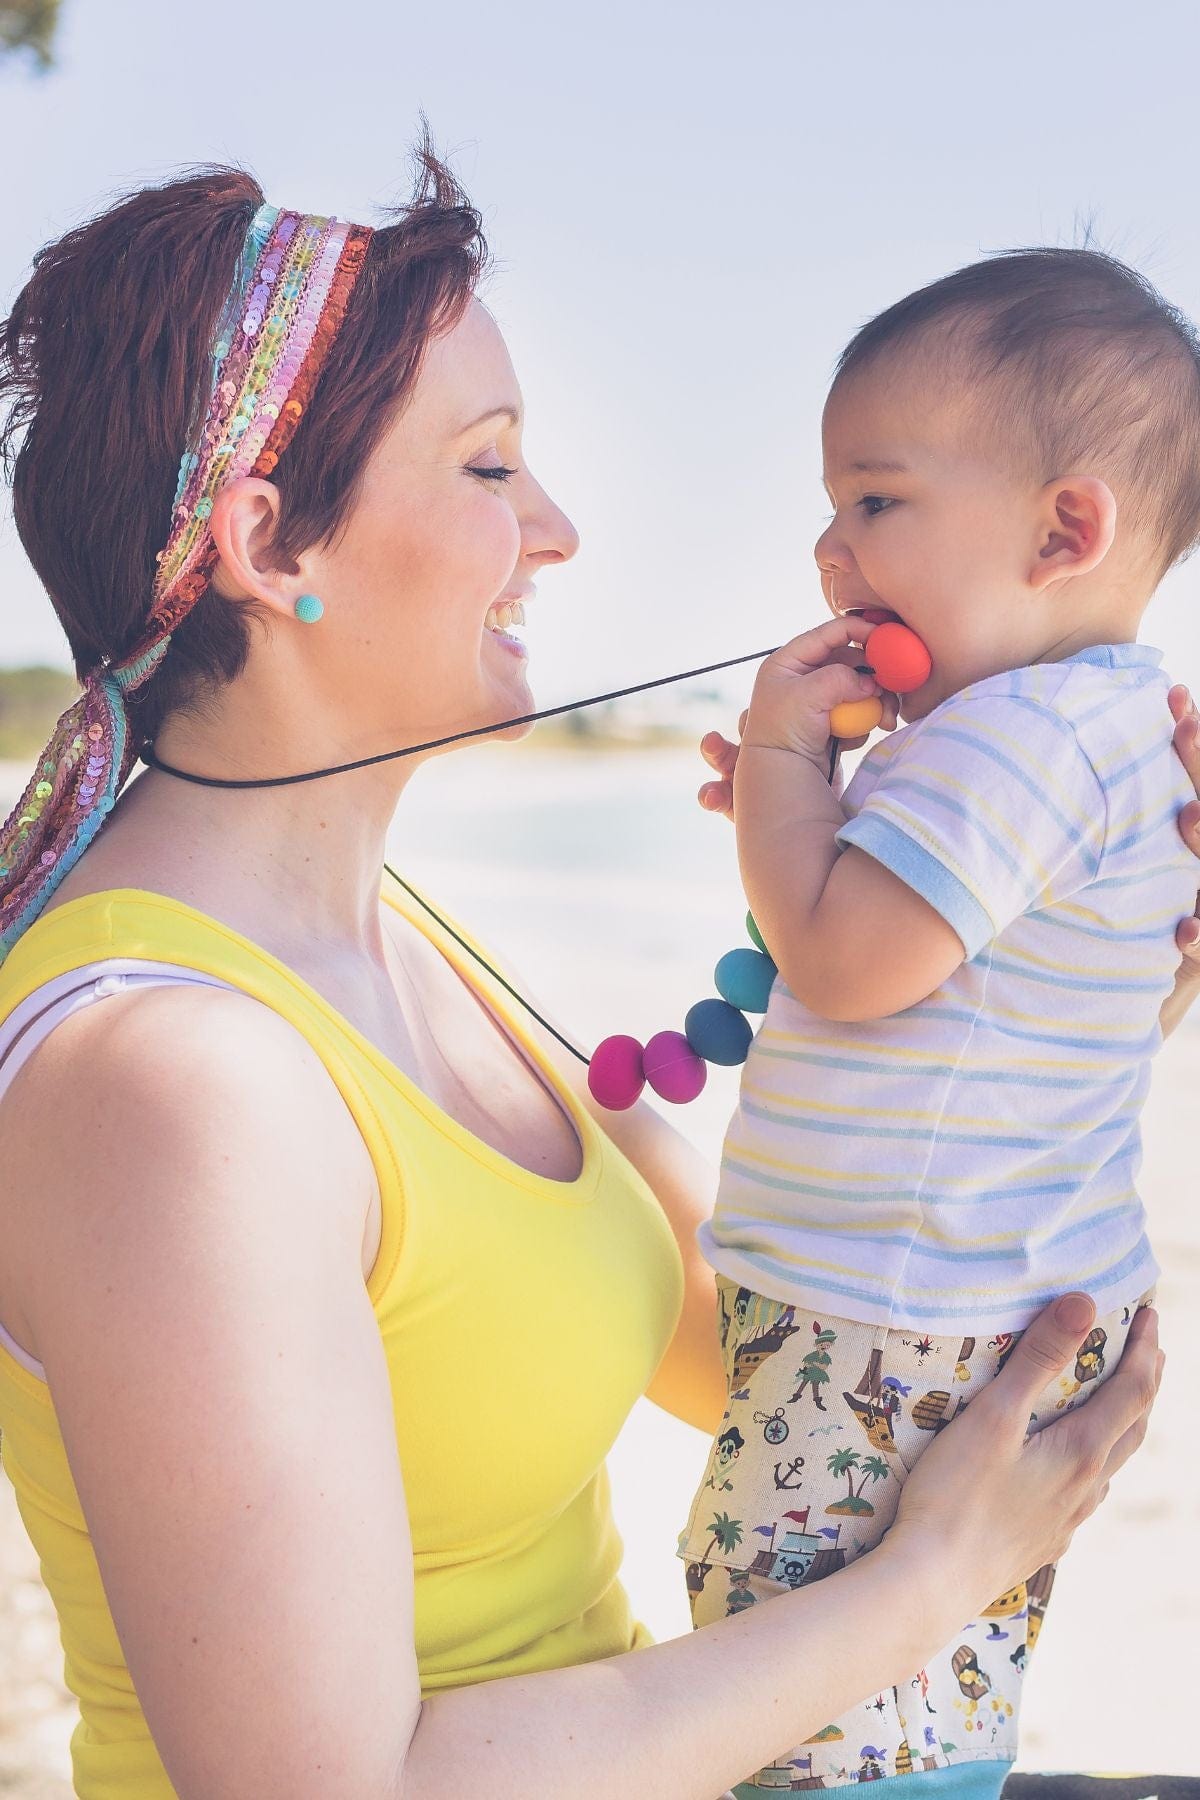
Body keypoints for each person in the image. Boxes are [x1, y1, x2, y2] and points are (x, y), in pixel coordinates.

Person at [0, 156, 1195, 1800]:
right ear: (268, 548)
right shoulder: (173, 1080)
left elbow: (761, 1350)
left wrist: (1094, 946)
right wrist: (933, 1581)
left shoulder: (398, 945)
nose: (557, 528)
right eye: (491, 464)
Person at [679, 250, 1200, 1794]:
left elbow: (840, 965)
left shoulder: (1025, 735)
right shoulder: (1095, 728)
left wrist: (784, 759)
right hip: (965, 1291)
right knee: (917, 1689)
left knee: (798, 1685)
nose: (832, 550)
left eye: (877, 502)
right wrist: (823, 805)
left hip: (896, 1310)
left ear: (1066, 528)